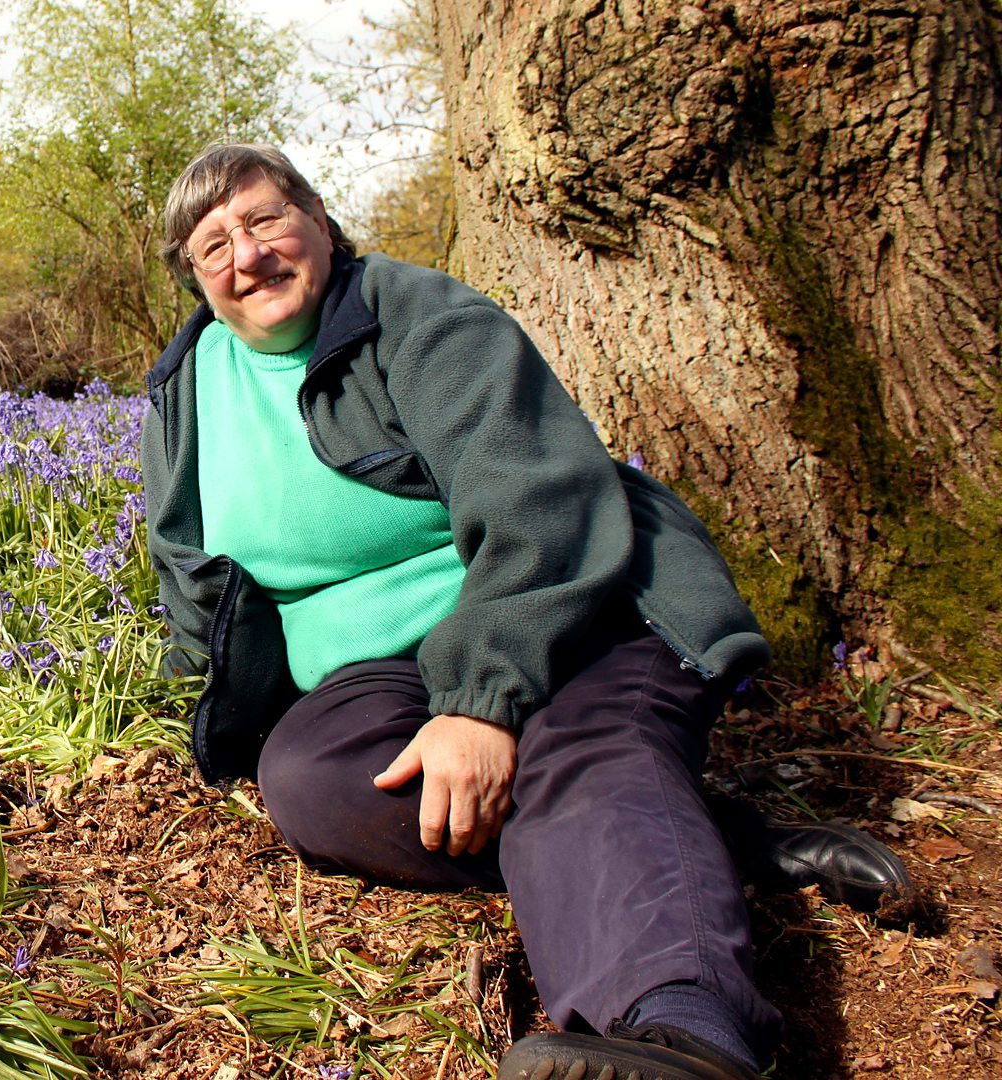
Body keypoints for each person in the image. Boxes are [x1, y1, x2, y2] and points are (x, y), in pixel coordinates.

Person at [141, 143, 910, 1080]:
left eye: (264, 221)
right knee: (310, 781)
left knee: (587, 751)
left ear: (318, 220)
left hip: (576, 600)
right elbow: (189, 566)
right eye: (212, 244)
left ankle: (685, 1030)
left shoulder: (416, 315)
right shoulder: (188, 388)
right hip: (383, 670)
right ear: (194, 276)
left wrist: (479, 703)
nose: (246, 256)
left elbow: (537, 503)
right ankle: (694, 835)